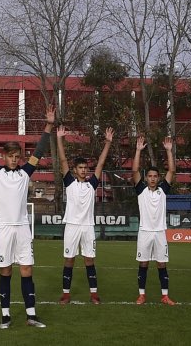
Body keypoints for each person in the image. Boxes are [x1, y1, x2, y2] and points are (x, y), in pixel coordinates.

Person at [0, 101, 53, 329]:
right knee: (6, 270)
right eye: (11, 156)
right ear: (4, 156)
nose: (14, 159)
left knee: (27, 270)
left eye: (17, 156)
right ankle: (5, 317)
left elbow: (39, 152)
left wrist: (49, 126)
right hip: (3, 229)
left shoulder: (25, 173)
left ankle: (31, 316)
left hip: (22, 228)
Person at [56, 125, 112, 305]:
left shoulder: (92, 185)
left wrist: (108, 143)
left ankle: (94, 294)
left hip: (87, 226)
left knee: (89, 260)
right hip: (72, 225)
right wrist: (59, 139)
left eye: (85, 168)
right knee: (69, 260)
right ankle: (66, 294)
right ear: (75, 170)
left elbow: (101, 163)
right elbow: (63, 161)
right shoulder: (70, 183)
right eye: (80, 167)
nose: (83, 170)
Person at [133, 135, 177, 306]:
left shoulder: (163, 191)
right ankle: (141, 295)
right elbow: (135, 171)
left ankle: (164, 296)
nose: (152, 178)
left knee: (161, 264)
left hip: (159, 232)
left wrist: (168, 151)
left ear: (158, 178)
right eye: (149, 176)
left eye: (155, 176)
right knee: (143, 263)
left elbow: (172, 171)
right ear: (146, 178)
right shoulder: (141, 191)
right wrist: (138, 151)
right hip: (144, 231)